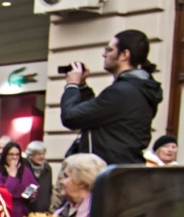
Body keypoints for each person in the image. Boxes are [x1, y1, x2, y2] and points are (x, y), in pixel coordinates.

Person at [60, 30, 163, 165]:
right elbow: (95, 114)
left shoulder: (122, 92)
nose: (104, 54)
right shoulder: (138, 88)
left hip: (110, 175)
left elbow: (70, 117)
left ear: (124, 55)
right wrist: (82, 86)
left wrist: (72, 85)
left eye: (109, 50)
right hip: (123, 171)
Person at [0, 141, 38, 217]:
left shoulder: (25, 170)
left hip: (23, 214)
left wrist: (32, 196)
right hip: (5, 213)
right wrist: (12, 176)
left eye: (17, 154)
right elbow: (2, 194)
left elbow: (33, 188)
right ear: (5, 156)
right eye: (11, 154)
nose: (14, 157)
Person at [25, 141, 53, 213]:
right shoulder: (24, 168)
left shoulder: (47, 169)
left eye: (43, 154)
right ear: (30, 155)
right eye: (39, 154)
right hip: (27, 212)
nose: (42, 157)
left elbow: (49, 190)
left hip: (44, 212)